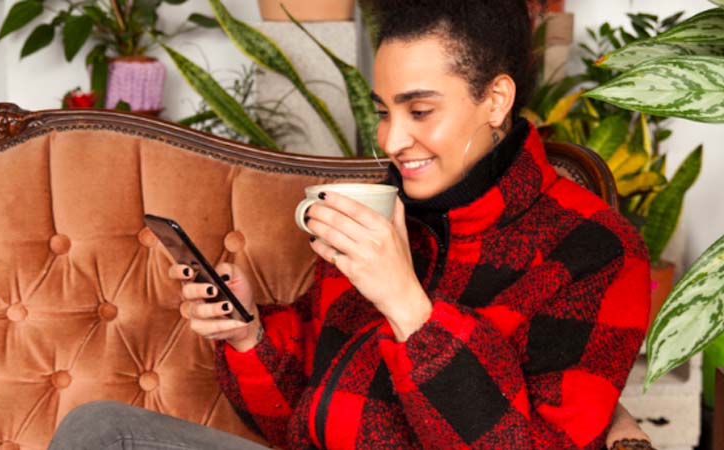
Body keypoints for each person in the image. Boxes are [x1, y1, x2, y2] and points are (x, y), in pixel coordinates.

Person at [48, 0, 653, 449]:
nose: (391, 139)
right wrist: (248, 337)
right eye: (383, 111)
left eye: (420, 110)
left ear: (495, 99)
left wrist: (410, 309)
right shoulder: (380, 212)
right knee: (99, 429)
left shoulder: (595, 250)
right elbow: (299, 422)